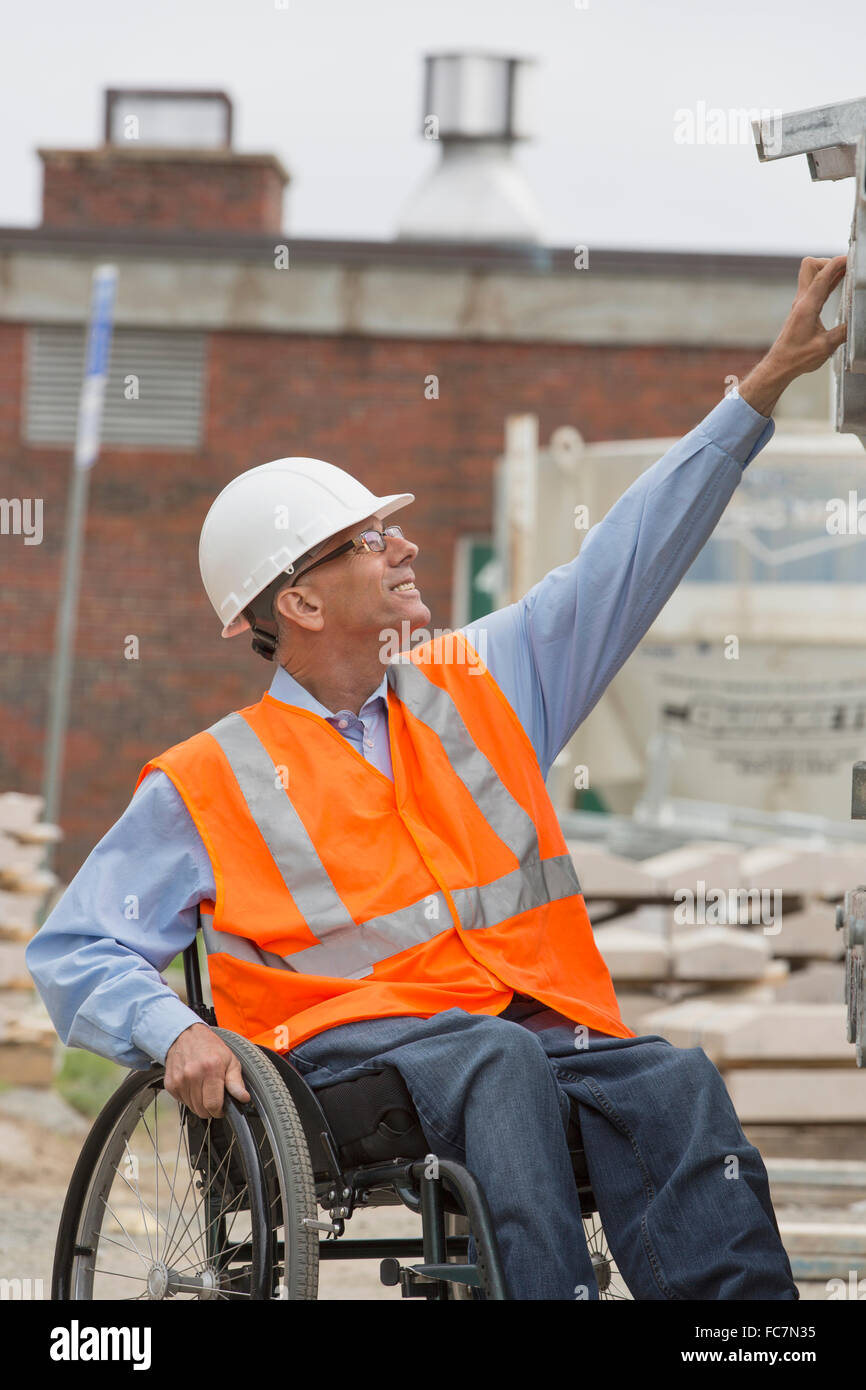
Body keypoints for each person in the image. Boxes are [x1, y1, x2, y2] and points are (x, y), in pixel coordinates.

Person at [27, 255, 849, 1300]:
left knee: (668, 1079)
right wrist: (175, 1031)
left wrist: (759, 390)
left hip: (517, 1036)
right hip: (337, 1073)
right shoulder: (207, 777)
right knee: (492, 1060)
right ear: (305, 606)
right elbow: (75, 946)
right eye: (370, 539)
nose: (404, 545)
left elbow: (623, 561)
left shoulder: (481, 683)